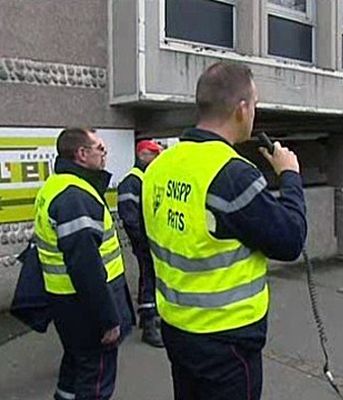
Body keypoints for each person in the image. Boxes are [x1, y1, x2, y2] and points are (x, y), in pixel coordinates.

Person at [141, 62, 307, 400]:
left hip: (177, 327)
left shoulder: (159, 166)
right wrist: (289, 175)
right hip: (226, 339)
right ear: (242, 109)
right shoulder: (232, 174)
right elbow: (289, 241)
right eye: (255, 105)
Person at [34, 127, 134, 400]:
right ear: (81, 154)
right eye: (100, 148)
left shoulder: (56, 186)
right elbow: (85, 267)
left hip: (67, 303)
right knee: (96, 380)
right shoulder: (76, 196)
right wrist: (108, 320)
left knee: (75, 368)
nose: (105, 154)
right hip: (87, 308)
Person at [117, 139, 164, 347]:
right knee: (148, 276)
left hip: (152, 240)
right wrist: (143, 242)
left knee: (152, 276)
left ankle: (151, 315)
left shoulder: (147, 178)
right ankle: (148, 323)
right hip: (145, 241)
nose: (156, 158)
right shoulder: (132, 181)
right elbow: (129, 217)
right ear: (142, 154)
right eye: (153, 154)